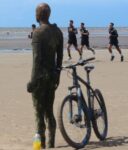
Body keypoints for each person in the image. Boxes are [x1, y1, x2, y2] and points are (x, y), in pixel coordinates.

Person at [27, 3, 63, 149]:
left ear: (38, 14)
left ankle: (41, 146)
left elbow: (37, 60)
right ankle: (51, 144)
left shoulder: (38, 33)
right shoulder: (57, 31)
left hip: (41, 78)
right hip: (52, 76)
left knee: (38, 113)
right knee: (49, 111)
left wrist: (32, 82)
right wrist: (57, 75)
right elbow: (59, 58)